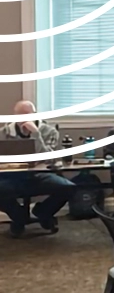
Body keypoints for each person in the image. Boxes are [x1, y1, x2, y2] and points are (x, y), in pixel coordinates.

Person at [0, 101, 74, 237]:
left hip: (39, 174)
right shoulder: (4, 133)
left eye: (26, 114)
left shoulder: (49, 131)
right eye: (19, 115)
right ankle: (19, 216)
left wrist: (36, 134)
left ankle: (43, 213)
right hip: (12, 176)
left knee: (68, 187)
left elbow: (50, 158)